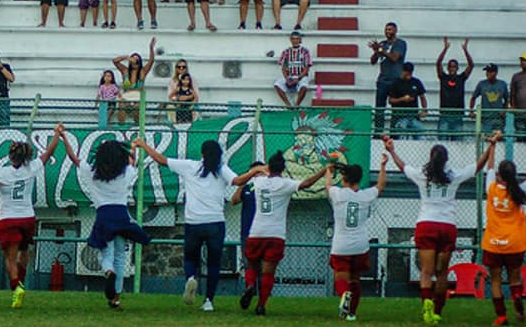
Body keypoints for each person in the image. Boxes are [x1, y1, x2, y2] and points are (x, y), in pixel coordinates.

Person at [137, 138, 263, 311]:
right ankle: (209, 301)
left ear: (202, 154)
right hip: (215, 222)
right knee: (213, 263)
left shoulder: (190, 166)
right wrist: (254, 172)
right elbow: (238, 181)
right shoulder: (221, 169)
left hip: (194, 222)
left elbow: (162, 160)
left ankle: (190, 277)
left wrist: (144, 145)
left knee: (190, 257)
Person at [384, 135, 495, 325]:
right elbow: (477, 166)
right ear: (446, 160)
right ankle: (438, 311)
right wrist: (490, 147)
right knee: (442, 273)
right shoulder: (453, 176)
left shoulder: (421, 174)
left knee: (426, 271)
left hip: (426, 223)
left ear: (430, 157)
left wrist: (392, 150)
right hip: (447, 225)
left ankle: (426, 303)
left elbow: (403, 167)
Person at [0, 136, 58, 308]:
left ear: (11, 156)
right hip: (27, 217)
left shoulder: (2, 172)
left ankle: (16, 286)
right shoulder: (31, 168)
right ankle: (20, 284)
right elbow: (48, 152)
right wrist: (57, 134)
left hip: (9, 219)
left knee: (10, 258)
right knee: (24, 253)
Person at [61, 134, 150, 310]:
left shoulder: (92, 173)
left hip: (103, 215)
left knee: (106, 254)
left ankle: (108, 272)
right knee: (120, 256)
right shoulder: (125, 173)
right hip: (121, 215)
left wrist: (63, 137)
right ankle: (115, 298)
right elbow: (133, 161)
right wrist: (133, 147)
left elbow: (74, 158)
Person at [239, 152, 327, 316]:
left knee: (251, 265)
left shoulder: (258, 182)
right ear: (284, 169)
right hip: (276, 234)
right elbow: (307, 184)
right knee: (268, 272)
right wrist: (323, 171)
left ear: (269, 167)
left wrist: (261, 170)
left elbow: (251, 178)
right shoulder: (286, 184)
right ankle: (261, 305)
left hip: (257, 231)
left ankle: (250, 285)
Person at [326, 150, 388, 321]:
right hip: (361, 245)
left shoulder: (338, 194)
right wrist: (382, 166)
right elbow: (381, 186)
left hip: (341, 245)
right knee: (355, 280)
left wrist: (329, 173)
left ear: (344, 179)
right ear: (359, 179)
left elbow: (327, 186)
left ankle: (343, 296)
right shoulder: (365, 195)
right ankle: (351, 314)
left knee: (340, 277)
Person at [481, 139, 526, 326]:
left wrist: (492, 146)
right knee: (515, 277)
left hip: (493, 243)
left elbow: (489, 168)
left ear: (499, 174)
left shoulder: (491, 188)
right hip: (515, 242)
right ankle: (517, 301)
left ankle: (501, 316)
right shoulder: (520, 192)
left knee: (496, 280)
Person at [370, 22, 407, 131]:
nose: (387, 32)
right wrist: (376, 51)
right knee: (379, 109)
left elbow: (395, 58)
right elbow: (372, 61)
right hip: (383, 80)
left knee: (396, 109)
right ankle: (378, 132)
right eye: (386, 29)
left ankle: (394, 132)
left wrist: (381, 50)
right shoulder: (382, 44)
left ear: (395, 31)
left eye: (390, 29)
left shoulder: (401, 43)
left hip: (396, 80)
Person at [112, 37, 156, 123]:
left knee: (138, 108)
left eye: (137, 61)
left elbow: (151, 61)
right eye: (133, 60)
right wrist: (126, 58)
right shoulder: (125, 71)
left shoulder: (143, 71)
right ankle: (121, 127)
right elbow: (115, 61)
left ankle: (137, 128)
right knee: (121, 105)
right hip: (126, 96)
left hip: (138, 96)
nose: (135, 62)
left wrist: (151, 48)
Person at [435, 37, 473, 136]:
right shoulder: (443, 77)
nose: (452, 68)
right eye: (450, 66)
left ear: (457, 68)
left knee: (458, 142)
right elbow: (438, 63)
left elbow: (471, 65)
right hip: (445, 114)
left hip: (457, 115)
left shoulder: (461, 78)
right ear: (447, 68)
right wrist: (445, 49)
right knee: (442, 140)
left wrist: (465, 50)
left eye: (454, 66)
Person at [272, 30, 312, 106]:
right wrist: (287, 78)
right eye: (293, 39)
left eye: (297, 39)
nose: (295, 41)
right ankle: (288, 105)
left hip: (301, 76)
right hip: (290, 76)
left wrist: (298, 78)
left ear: (300, 40)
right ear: (290, 40)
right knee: (277, 84)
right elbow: (283, 68)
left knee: (304, 86)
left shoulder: (305, 51)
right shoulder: (286, 52)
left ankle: (297, 105)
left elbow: (307, 68)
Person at [470, 63, 510, 132]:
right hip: (486, 118)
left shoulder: (502, 84)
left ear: (496, 73)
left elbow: (507, 99)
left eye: (490, 71)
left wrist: (504, 111)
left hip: (499, 119)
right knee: (487, 138)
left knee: (498, 138)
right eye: (487, 71)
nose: (488, 73)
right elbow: (473, 97)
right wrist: (471, 111)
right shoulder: (481, 84)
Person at [512, 51, 526, 138]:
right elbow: (513, 94)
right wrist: (513, 107)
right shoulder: (516, 76)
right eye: (521, 60)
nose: (522, 62)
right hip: (520, 113)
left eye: (525, 60)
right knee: (520, 136)